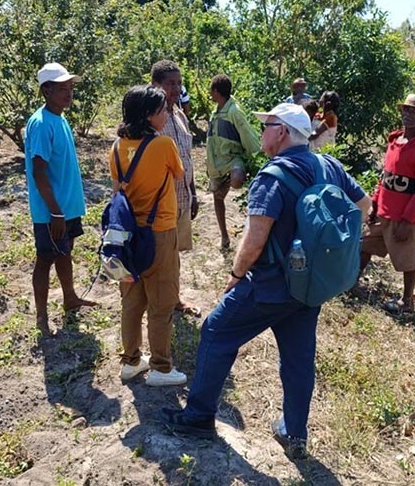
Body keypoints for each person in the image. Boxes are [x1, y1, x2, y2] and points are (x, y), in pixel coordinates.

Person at [162, 103, 371, 457]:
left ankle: (198, 417)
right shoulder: (329, 166)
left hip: (270, 286)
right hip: (309, 286)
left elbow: (255, 239)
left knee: (215, 330)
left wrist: (235, 275)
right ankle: (294, 432)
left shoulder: (273, 177)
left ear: (283, 132)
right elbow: (364, 205)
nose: (262, 132)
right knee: (298, 359)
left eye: (267, 125)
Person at [111, 85, 187, 386]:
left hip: (126, 236)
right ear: (147, 115)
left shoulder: (116, 147)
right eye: (161, 110)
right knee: (162, 302)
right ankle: (161, 367)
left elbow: (118, 188)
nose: (166, 113)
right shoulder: (163, 144)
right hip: (159, 232)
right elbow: (179, 174)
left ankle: (130, 361)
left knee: (131, 300)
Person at [23, 63, 97, 335]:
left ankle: (70, 298)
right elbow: (38, 171)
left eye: (70, 87)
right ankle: (41, 318)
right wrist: (54, 212)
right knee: (45, 258)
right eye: (62, 88)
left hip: (66, 207)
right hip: (51, 211)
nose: (68, 93)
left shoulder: (60, 118)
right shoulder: (41, 124)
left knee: (65, 252)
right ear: (46, 90)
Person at [360, 94, 415, 314]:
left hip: (403, 217)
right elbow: (385, 177)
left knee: (407, 260)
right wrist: (375, 203)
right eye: (406, 110)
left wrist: (407, 220)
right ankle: (351, 283)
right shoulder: (394, 141)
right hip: (383, 211)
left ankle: (407, 301)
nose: (409, 115)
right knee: (364, 246)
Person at [150, 60, 200, 317]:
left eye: (179, 83)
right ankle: (162, 303)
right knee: (162, 254)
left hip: (182, 196)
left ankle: (173, 298)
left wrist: (193, 193)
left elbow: (187, 157)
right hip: (162, 201)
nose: (176, 88)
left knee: (174, 253)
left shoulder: (180, 115)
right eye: (170, 83)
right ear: (155, 85)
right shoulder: (151, 120)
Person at [206, 74, 261, 250]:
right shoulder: (216, 111)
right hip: (216, 163)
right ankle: (224, 236)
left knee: (237, 179)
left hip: (232, 159)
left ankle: (229, 181)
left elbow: (247, 134)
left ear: (216, 91)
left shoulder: (234, 111)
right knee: (217, 197)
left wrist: (256, 156)